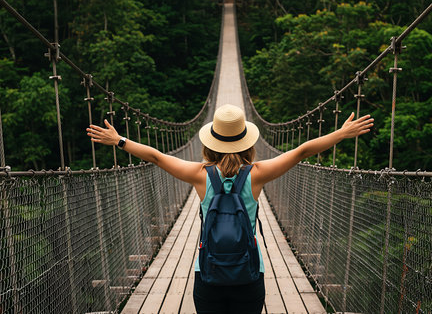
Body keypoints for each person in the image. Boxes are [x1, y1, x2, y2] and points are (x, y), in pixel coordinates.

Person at [86, 104, 374, 313]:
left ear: (210, 142)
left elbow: (157, 157)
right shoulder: (257, 174)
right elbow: (301, 151)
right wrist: (341, 133)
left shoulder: (199, 174)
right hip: (248, 273)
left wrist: (119, 141)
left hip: (208, 272)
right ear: (247, 141)